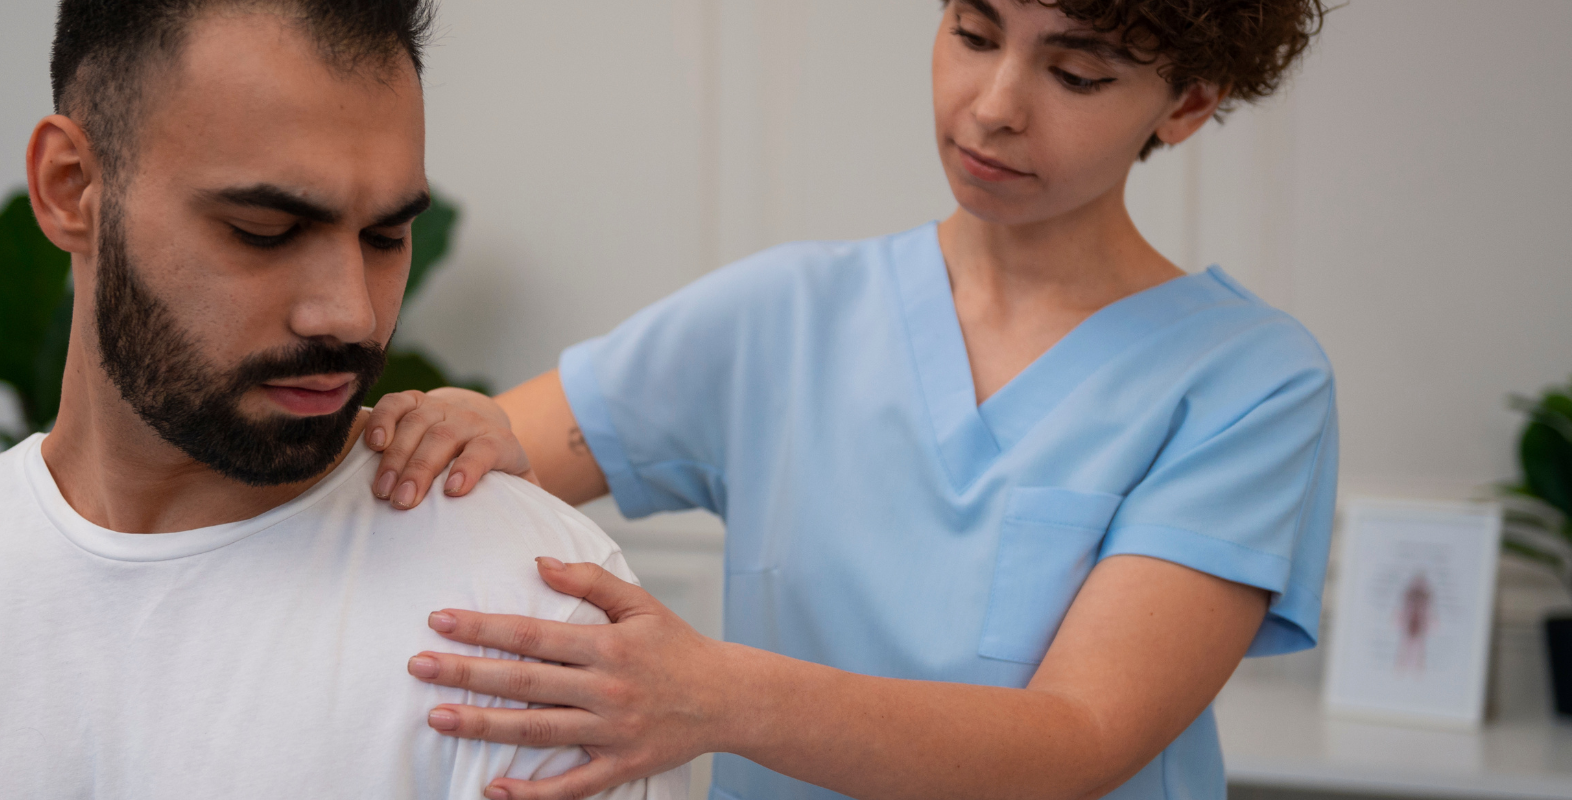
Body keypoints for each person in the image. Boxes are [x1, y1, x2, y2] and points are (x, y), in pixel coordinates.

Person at [366, 1, 1336, 799]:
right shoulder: (782, 315)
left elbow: (1079, 736)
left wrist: (717, 696)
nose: (994, 104)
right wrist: (458, 422)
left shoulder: (1248, 382)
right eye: (973, 32)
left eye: (1076, 73)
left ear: (1188, 104)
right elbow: (481, 454)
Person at [0, 2, 690, 798]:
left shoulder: (534, 620)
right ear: (71, 188)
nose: (351, 314)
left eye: (386, 237)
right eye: (265, 230)